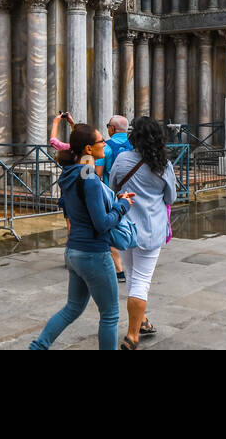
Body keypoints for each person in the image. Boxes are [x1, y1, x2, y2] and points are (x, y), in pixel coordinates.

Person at [30, 125, 135, 351]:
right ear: (88, 148)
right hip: (93, 253)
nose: (105, 144)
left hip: (74, 252)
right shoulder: (89, 178)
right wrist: (123, 205)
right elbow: (102, 223)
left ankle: (38, 347)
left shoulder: (70, 173)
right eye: (101, 142)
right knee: (110, 314)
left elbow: (87, 207)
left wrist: (113, 201)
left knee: (73, 308)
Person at [110, 118, 178, 350]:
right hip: (151, 229)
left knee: (131, 276)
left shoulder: (122, 159)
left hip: (125, 228)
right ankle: (132, 335)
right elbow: (171, 197)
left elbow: (113, 187)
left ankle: (142, 321)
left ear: (134, 137)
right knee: (141, 280)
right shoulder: (163, 164)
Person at [99, 114, 133, 283]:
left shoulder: (106, 147)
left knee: (111, 229)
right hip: (133, 197)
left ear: (112, 129)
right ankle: (132, 265)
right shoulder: (135, 146)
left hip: (112, 196)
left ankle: (119, 269)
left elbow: (97, 175)